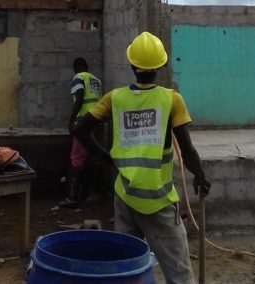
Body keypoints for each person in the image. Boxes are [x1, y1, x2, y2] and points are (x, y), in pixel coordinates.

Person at [71, 32, 211, 284]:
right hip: (158, 201)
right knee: (178, 272)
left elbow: (79, 128)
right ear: (160, 66)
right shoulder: (171, 99)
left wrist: (107, 158)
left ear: (132, 65)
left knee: (127, 267)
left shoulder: (115, 98)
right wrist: (199, 175)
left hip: (124, 196)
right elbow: (187, 149)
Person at [59, 57, 102, 208]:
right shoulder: (96, 80)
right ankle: (93, 194)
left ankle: (72, 197)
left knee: (77, 158)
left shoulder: (78, 78)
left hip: (84, 122)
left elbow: (79, 97)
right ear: (87, 66)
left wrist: (72, 121)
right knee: (93, 157)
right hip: (97, 122)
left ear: (75, 68)